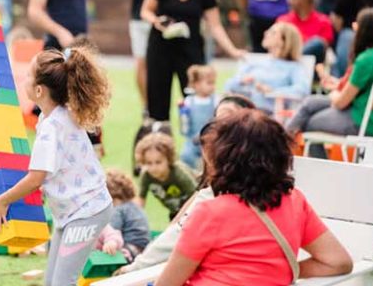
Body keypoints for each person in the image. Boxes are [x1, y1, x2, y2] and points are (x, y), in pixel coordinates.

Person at [155, 110, 352, 286]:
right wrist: (277, 272)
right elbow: (338, 261)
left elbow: (167, 283)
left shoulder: (210, 212)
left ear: (225, 158)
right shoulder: (295, 201)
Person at [0, 46, 113, 286]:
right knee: (52, 283)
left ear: (38, 90)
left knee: (62, 282)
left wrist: (4, 200)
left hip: (87, 212)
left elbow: (36, 178)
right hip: (72, 212)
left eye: (27, 75)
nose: (23, 79)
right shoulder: (54, 117)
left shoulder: (51, 128)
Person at [115, 96, 258, 276]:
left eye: (228, 117)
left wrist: (132, 270)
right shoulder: (273, 188)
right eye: (217, 118)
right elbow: (180, 223)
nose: (221, 125)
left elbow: (183, 231)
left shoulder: (215, 197)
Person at [140, 0, 243, 124]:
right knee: (157, 97)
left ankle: (196, 141)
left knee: (196, 97)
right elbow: (146, 11)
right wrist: (158, 21)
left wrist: (232, 50)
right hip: (160, 45)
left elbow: (215, 25)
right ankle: (159, 140)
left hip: (190, 48)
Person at [287, 8, 373, 146]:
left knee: (309, 122)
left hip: (364, 121)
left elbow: (341, 102)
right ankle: (281, 142)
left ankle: (282, 146)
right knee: (310, 103)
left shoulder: (367, 59)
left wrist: (333, 94)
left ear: (362, 30)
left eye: (356, 25)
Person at [224, 23, 309, 112]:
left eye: (273, 32)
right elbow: (228, 86)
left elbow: (302, 89)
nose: (265, 33)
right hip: (244, 111)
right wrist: (241, 81)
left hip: (269, 114)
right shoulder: (254, 62)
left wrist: (272, 91)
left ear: (284, 41)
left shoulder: (293, 67)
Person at [134, 133, 197, 219]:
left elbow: (197, 196)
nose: (154, 168)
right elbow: (141, 200)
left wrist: (181, 217)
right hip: (176, 211)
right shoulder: (146, 176)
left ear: (169, 159)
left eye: (158, 162)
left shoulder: (178, 173)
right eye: (149, 163)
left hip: (196, 208)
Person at [276, 0, 334, 65]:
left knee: (317, 43)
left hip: (310, 65)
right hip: (286, 62)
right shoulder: (283, 20)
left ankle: (294, 60)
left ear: (304, 0)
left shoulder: (323, 21)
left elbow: (322, 47)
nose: (288, 0)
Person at [99, 169, 150, 262]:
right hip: (145, 247)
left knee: (109, 255)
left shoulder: (118, 209)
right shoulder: (134, 205)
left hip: (131, 247)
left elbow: (112, 231)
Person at [178, 65, 217, 170]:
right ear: (196, 85)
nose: (213, 86)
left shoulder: (216, 100)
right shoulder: (188, 102)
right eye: (209, 83)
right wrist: (182, 111)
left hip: (211, 139)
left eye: (214, 83)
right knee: (186, 156)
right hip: (192, 139)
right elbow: (184, 127)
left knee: (214, 158)